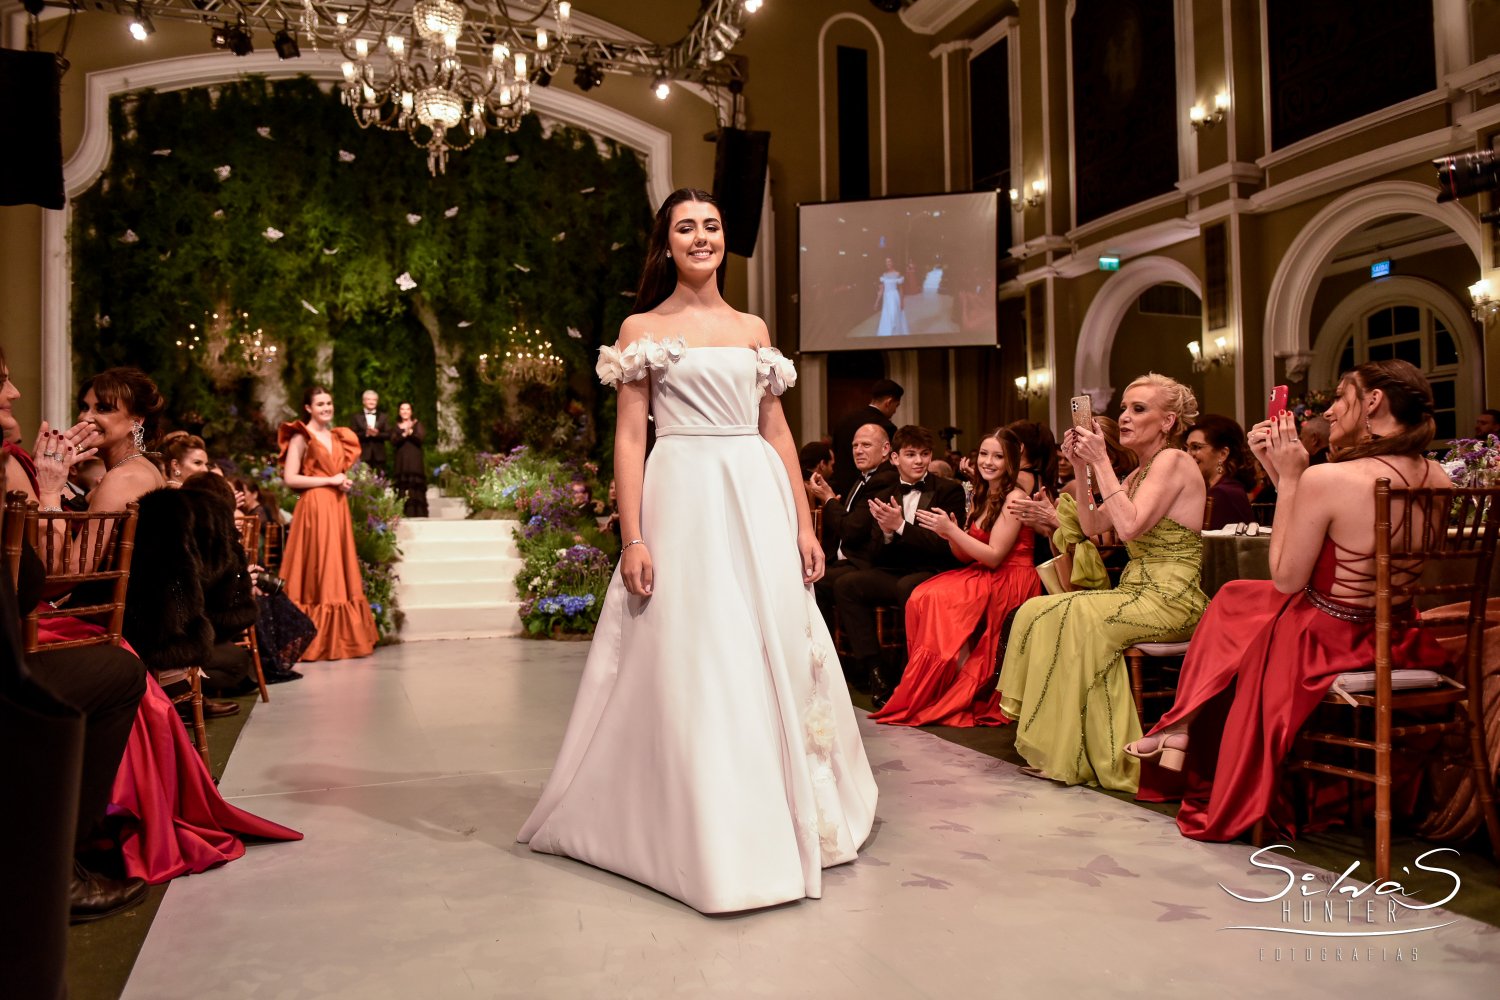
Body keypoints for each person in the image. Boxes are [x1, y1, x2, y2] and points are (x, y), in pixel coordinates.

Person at [518, 188, 876, 914]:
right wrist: (633, 536)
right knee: (697, 650)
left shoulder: (752, 327)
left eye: (712, 225)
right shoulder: (641, 328)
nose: (702, 236)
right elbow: (630, 438)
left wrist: (804, 525)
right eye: (686, 227)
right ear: (668, 242)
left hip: (754, 492)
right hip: (682, 493)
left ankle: (786, 810)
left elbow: (777, 431)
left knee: (768, 645)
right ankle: (701, 825)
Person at [1130, 360, 1452, 841]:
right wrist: (1283, 473)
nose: (1330, 411)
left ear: (1373, 402)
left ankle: (1183, 726)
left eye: (1340, 397)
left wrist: (1295, 479)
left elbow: (1285, 578)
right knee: (1238, 597)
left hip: (1330, 638)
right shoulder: (1439, 476)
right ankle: (1181, 724)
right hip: (1399, 632)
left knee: (1244, 605)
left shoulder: (1334, 478)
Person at [997, 374, 1208, 791]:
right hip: (1135, 592)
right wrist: (1081, 463)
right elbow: (1092, 526)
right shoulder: (1139, 474)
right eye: (1124, 408)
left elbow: (1128, 527)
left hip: (1173, 597)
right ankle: (1067, 747)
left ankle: (1107, 755)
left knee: (1079, 618)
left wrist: (1101, 462)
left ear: (1168, 422)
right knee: (1038, 609)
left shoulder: (1174, 461)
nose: (1124, 417)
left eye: (1138, 409)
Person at [871, 426, 1042, 727]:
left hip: (1011, 577)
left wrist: (952, 531)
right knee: (922, 595)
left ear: (1011, 462)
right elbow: (966, 555)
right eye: (984, 454)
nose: (988, 462)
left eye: (998, 456)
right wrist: (949, 535)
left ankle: (965, 688)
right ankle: (948, 684)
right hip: (986, 572)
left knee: (941, 598)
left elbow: (994, 555)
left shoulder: (1015, 497)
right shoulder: (982, 493)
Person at [832, 425, 968, 705]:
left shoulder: (948, 490)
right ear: (894, 458)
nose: (919, 461)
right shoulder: (885, 493)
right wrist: (886, 533)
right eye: (911, 454)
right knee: (847, 585)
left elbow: (945, 547)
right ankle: (875, 672)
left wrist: (901, 526)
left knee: (908, 587)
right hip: (895, 571)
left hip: (934, 571)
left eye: (924, 454)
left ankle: (911, 675)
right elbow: (875, 554)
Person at [279, 386, 378, 661]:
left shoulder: (337, 436)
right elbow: (290, 478)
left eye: (329, 403)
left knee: (336, 566)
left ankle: (342, 640)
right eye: (320, 404)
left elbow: (334, 473)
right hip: (314, 509)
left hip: (336, 506)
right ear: (308, 408)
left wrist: (341, 482)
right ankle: (312, 638)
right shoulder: (301, 436)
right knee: (318, 567)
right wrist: (330, 480)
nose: (326, 408)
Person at [809, 422, 899, 662]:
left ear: (885, 449)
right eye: (855, 445)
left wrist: (829, 499)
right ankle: (828, 654)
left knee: (818, 582)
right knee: (811, 577)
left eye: (866, 445)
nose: (858, 450)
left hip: (868, 563)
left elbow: (852, 530)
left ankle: (838, 659)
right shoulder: (863, 479)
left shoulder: (884, 479)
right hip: (849, 559)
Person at [828, 379, 902, 498]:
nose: (895, 411)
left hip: (840, 490)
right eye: (896, 406)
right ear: (888, 402)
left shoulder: (844, 421)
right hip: (872, 492)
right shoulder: (887, 427)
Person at [1185, 415, 1254, 529]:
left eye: (1196, 447)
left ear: (1223, 454)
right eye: (1187, 448)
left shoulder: (1223, 494)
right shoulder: (1222, 489)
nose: (1188, 455)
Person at [390, 401, 429, 518]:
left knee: (415, 485)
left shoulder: (417, 424)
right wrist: (403, 435)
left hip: (414, 460)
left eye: (407, 409)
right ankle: (402, 512)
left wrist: (411, 433)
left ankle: (418, 512)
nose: (405, 411)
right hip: (401, 461)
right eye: (402, 409)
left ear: (411, 411)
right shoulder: (396, 426)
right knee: (402, 486)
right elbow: (393, 441)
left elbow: (421, 438)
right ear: (399, 412)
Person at [349, 388, 389, 473]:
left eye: (374, 400)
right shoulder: (356, 417)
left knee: (380, 478)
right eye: (369, 399)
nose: (371, 402)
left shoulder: (383, 416)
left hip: (379, 456)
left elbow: (388, 434)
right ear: (363, 401)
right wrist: (366, 433)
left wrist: (377, 434)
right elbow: (352, 435)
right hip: (363, 455)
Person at [874, 256, 910, 337]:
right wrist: (876, 302)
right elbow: (881, 290)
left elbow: (901, 289)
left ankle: (895, 333)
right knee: (887, 316)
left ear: (893, 262)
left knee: (894, 315)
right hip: (886, 299)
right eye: (886, 262)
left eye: (889, 261)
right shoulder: (884, 275)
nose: (888, 263)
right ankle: (887, 333)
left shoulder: (897, 274)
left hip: (894, 298)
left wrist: (902, 302)